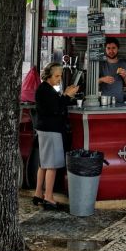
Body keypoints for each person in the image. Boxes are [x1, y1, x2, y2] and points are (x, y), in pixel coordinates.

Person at [33, 62, 78, 210]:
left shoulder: (45, 89)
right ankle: (49, 197)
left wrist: (65, 95)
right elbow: (56, 109)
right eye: (57, 76)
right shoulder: (46, 90)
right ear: (48, 76)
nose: (59, 78)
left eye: (60, 75)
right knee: (51, 165)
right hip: (51, 130)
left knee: (44, 164)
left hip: (44, 129)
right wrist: (66, 95)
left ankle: (39, 193)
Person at [98, 37, 126, 104]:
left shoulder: (124, 65)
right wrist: (102, 79)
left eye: (113, 48)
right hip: (104, 102)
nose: (111, 51)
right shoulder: (100, 65)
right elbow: (91, 84)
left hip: (119, 102)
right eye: (108, 48)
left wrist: (125, 77)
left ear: (118, 49)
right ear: (105, 49)